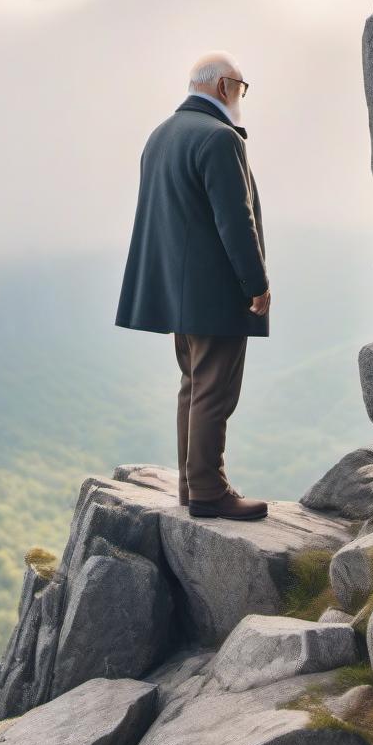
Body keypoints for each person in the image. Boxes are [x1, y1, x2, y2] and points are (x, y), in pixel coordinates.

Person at [115, 50, 271, 520]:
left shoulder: (161, 135)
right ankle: (208, 490)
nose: (242, 97)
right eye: (241, 88)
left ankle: (190, 484)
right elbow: (235, 220)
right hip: (216, 290)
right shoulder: (220, 138)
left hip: (177, 292)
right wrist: (256, 282)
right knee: (215, 391)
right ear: (224, 86)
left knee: (193, 384)